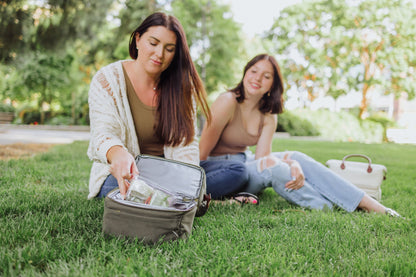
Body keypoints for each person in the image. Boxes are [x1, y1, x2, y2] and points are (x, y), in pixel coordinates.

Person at [199, 53, 401, 217]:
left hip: (245, 163)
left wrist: (293, 165)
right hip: (221, 172)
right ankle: (326, 207)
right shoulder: (227, 102)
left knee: (296, 157)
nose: (258, 79)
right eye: (254, 71)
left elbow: (261, 158)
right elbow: (200, 154)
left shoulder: (268, 115)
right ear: (245, 73)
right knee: (273, 168)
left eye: (266, 76)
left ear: (272, 85)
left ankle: (367, 203)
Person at [87, 12, 216, 199]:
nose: (160, 54)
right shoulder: (107, 80)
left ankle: (170, 195)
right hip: (127, 174)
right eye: (153, 43)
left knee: (235, 170)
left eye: (169, 49)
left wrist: (187, 178)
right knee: (113, 189)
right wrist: (117, 153)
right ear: (138, 39)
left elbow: (186, 146)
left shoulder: (182, 89)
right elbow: (103, 133)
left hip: (169, 172)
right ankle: (179, 196)